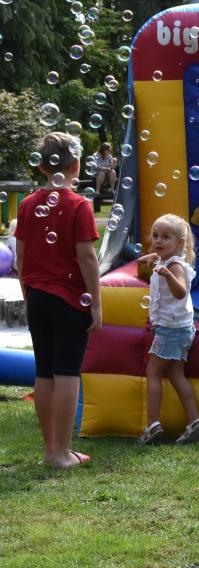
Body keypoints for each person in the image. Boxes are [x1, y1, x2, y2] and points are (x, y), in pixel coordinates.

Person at [14, 132, 101, 469]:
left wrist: (28, 293)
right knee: (67, 372)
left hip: (38, 296)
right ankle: (62, 452)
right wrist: (96, 303)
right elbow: (87, 257)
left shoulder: (27, 204)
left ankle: (51, 449)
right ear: (76, 165)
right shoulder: (79, 204)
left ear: (42, 167)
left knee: (45, 372)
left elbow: (21, 256)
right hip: (69, 299)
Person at [136, 214, 199, 445]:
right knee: (176, 374)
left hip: (170, 330)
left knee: (153, 373)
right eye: (155, 235)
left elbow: (180, 292)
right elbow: (142, 263)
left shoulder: (174, 265)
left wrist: (166, 274)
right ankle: (194, 421)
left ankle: (152, 425)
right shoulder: (165, 260)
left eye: (166, 237)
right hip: (179, 328)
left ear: (180, 243)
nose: (158, 240)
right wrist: (152, 257)